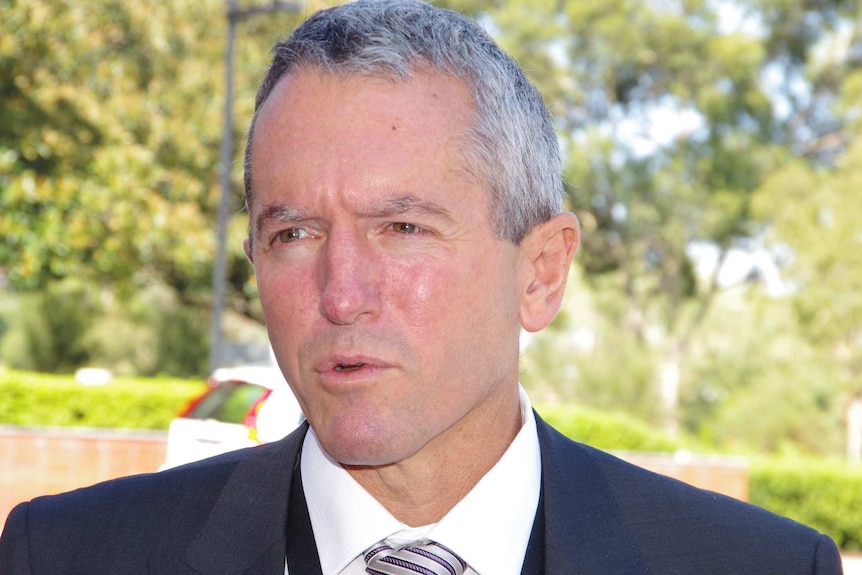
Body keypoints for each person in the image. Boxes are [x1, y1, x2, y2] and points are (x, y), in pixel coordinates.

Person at [0, 1, 844, 574]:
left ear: (542, 270)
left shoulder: (757, 565)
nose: (341, 292)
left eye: (401, 228)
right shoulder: (67, 554)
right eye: (293, 233)